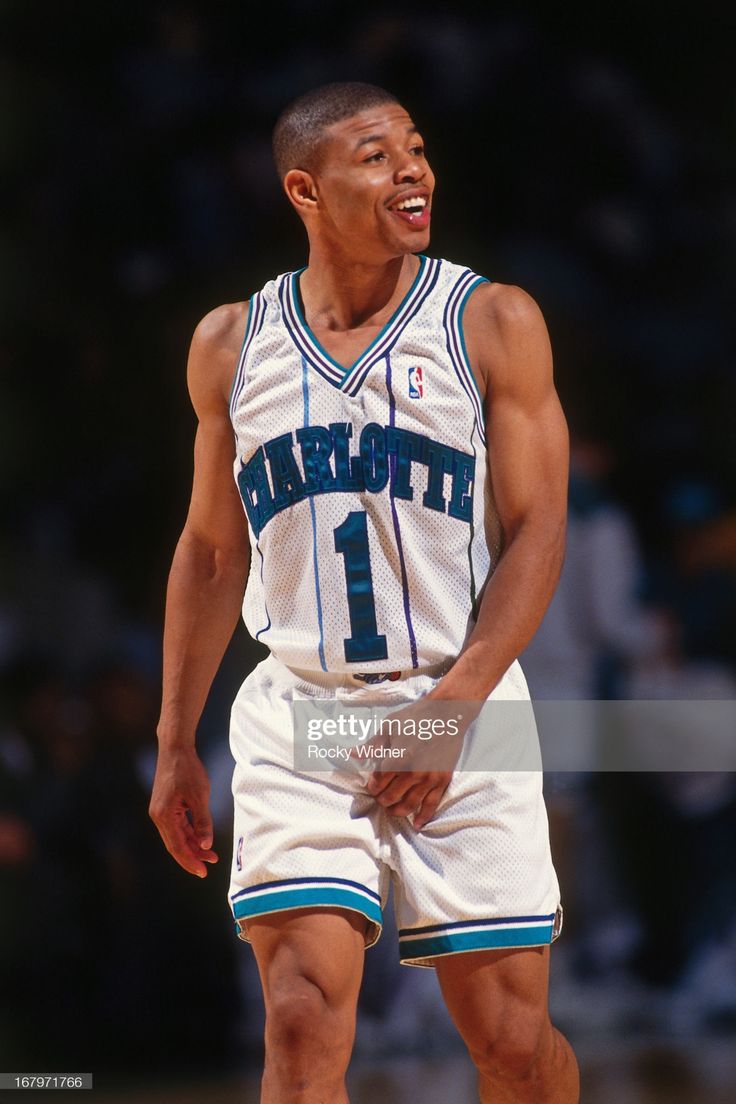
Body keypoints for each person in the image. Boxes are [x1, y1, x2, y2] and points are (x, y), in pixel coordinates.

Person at [150, 81, 579, 1103]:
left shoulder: (491, 320)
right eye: (379, 155)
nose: (413, 170)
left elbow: (539, 528)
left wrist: (456, 706)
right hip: (300, 711)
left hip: (463, 696)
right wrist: (172, 741)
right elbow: (214, 552)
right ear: (306, 187)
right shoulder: (229, 344)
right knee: (300, 1025)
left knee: (511, 1045)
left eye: (417, 150)